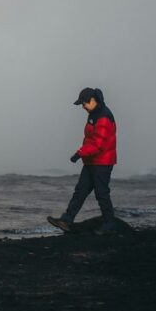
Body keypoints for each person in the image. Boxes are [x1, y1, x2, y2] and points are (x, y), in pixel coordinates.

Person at [47, 87, 117, 235]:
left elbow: (98, 144)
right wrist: (82, 153)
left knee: (102, 194)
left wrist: (79, 154)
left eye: (84, 103)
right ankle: (66, 220)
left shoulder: (104, 116)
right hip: (91, 162)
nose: (83, 107)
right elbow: (90, 139)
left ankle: (109, 224)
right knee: (80, 192)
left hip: (103, 163)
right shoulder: (94, 113)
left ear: (92, 100)